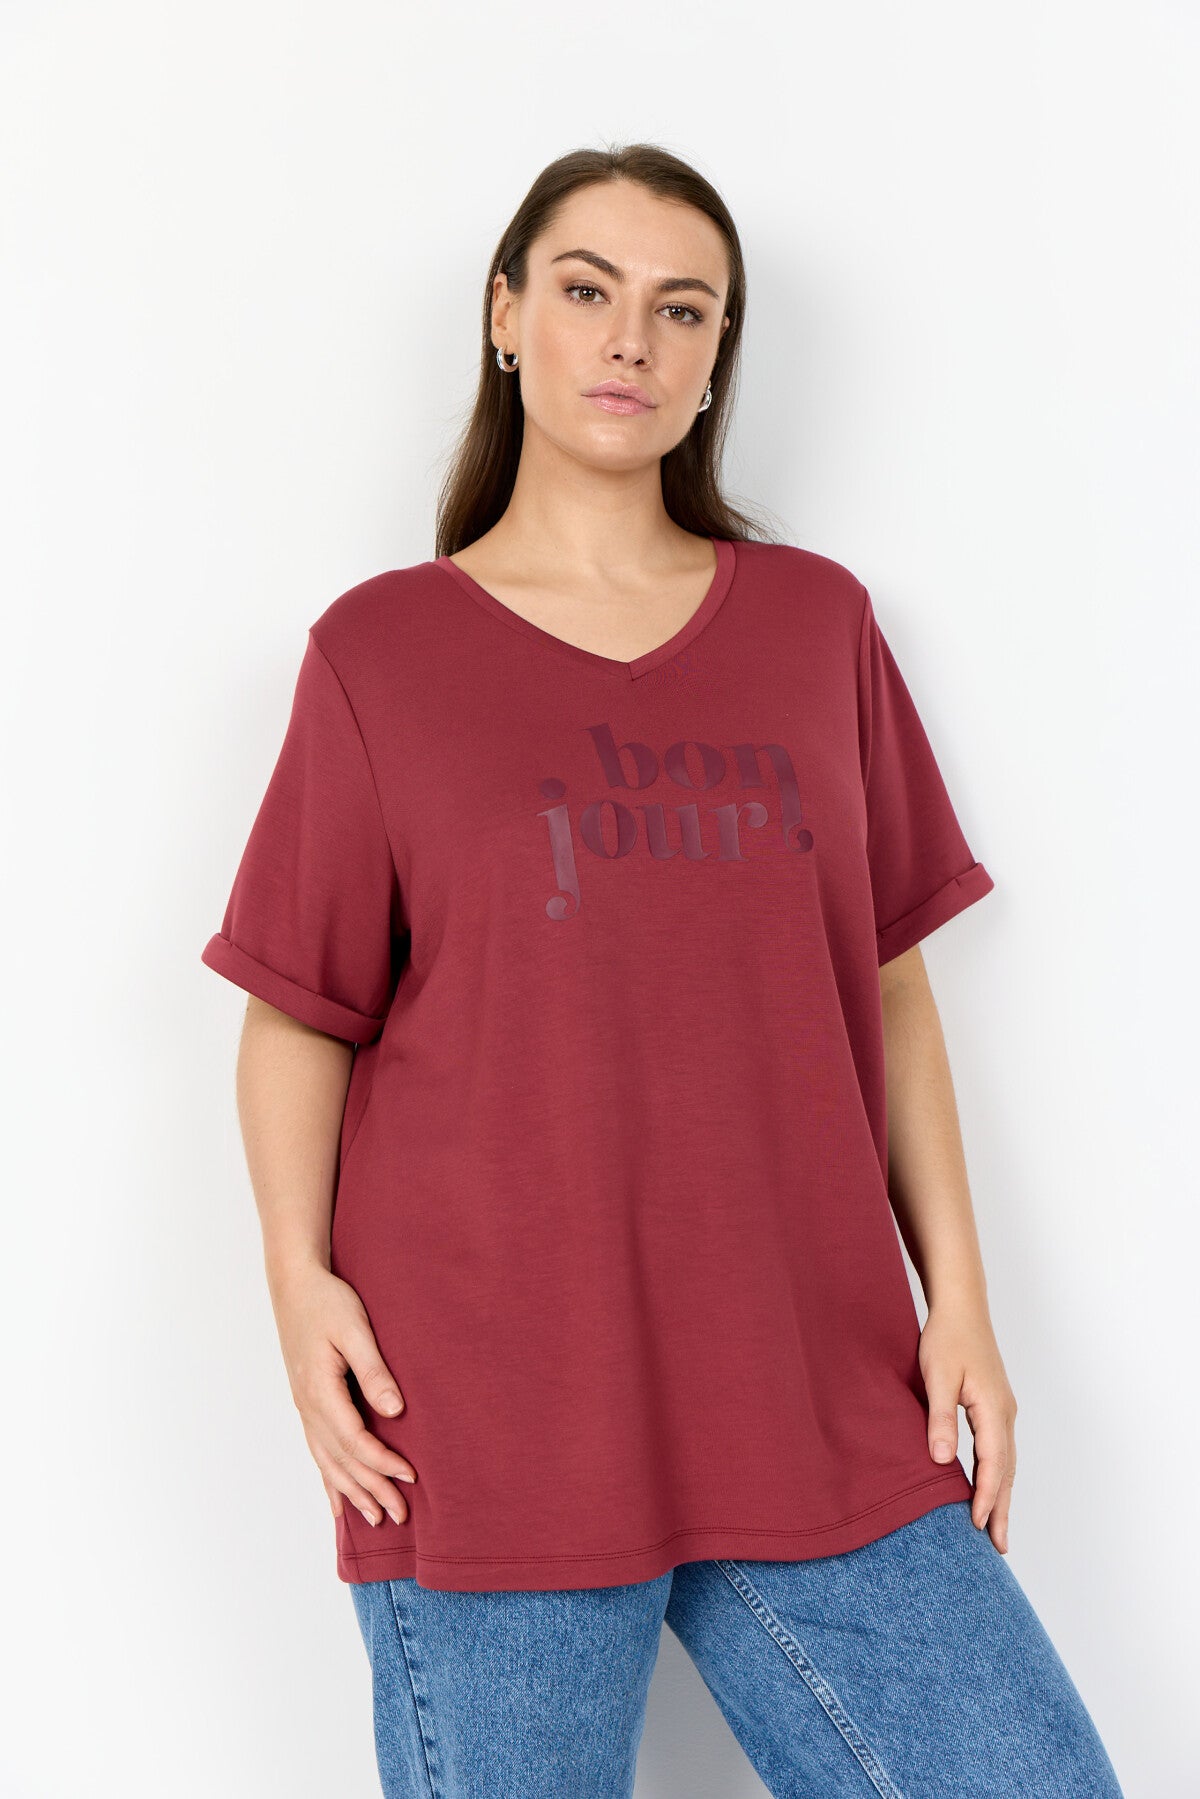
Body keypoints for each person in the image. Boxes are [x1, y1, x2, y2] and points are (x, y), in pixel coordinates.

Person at [200, 143, 1126, 1797]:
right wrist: (296, 1285)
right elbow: (299, 1013)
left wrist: (962, 1307)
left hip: (811, 1382)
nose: (631, 338)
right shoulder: (380, 654)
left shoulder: (819, 628)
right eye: (587, 290)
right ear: (506, 318)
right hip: (490, 1399)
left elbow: (889, 984)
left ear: (714, 360)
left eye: (682, 308)